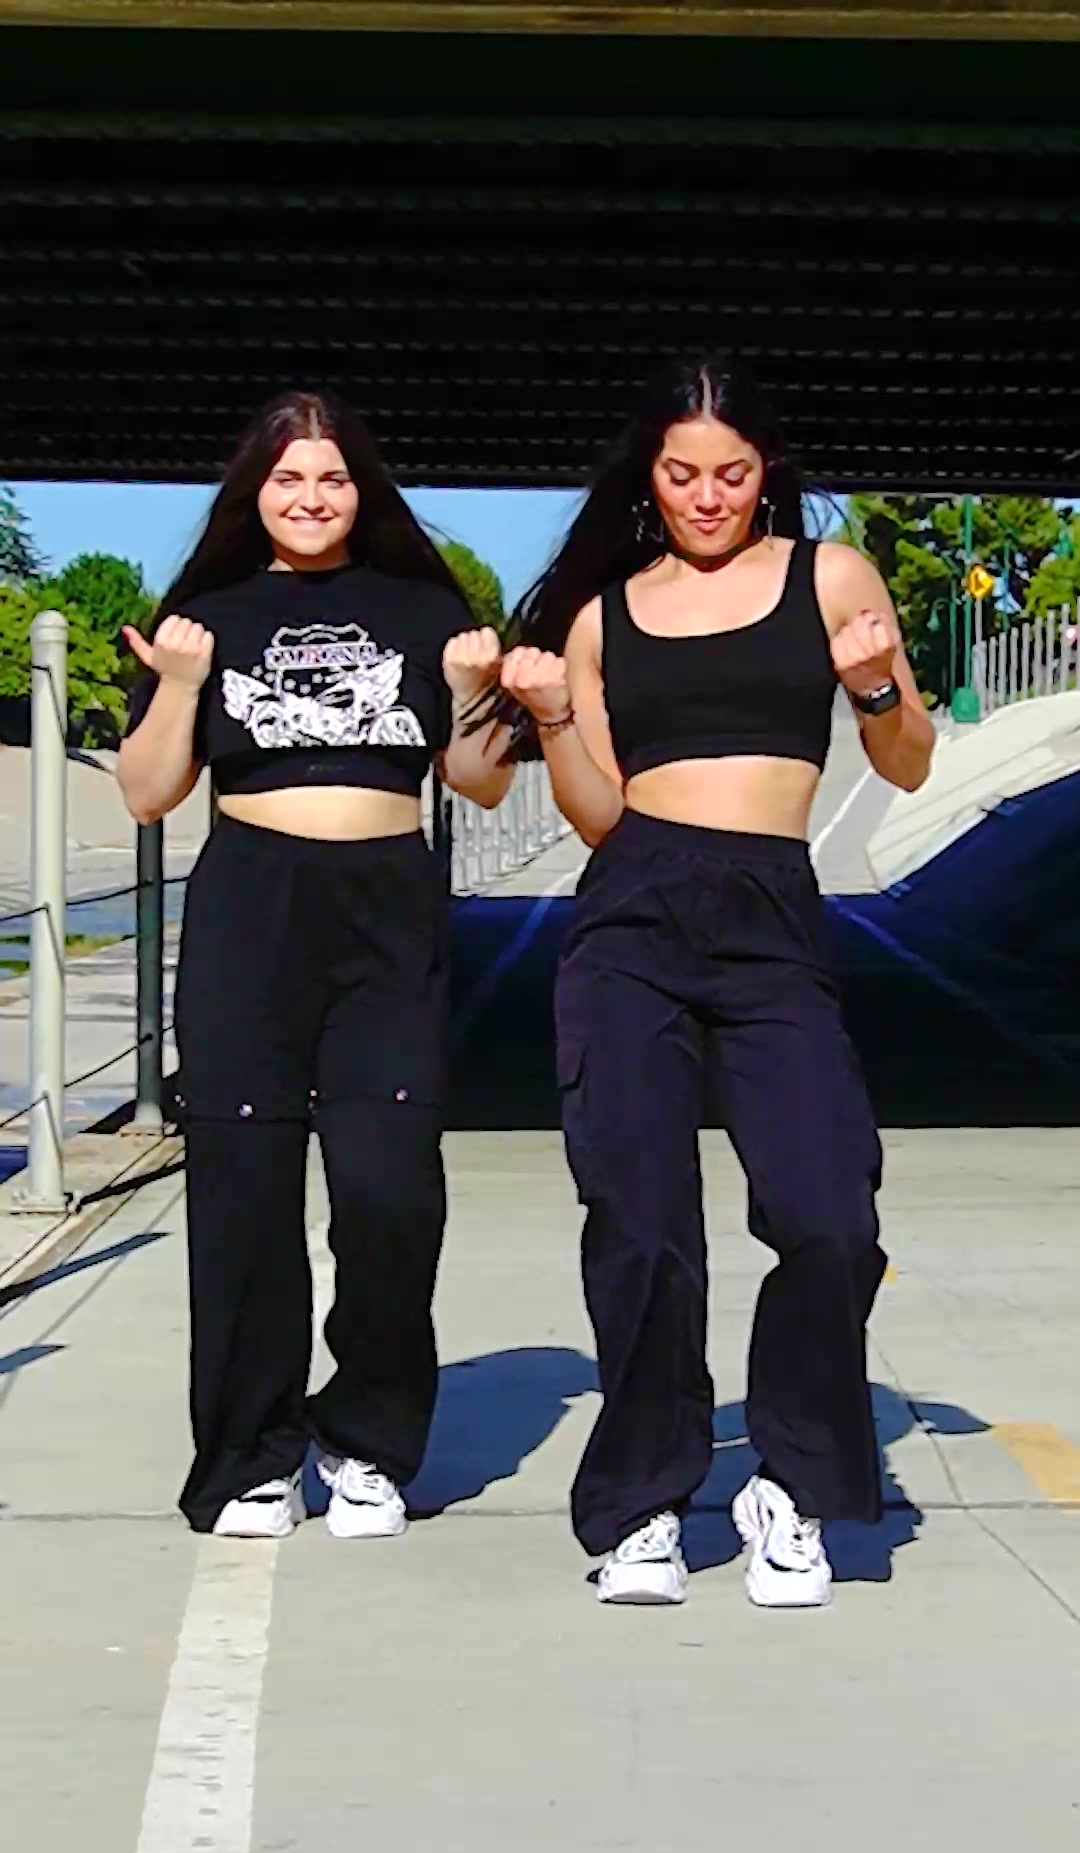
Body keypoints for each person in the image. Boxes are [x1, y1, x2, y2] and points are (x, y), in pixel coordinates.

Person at [493, 353, 935, 1608]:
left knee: (829, 1215)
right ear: (650, 478)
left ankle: (789, 1483)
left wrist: (874, 684)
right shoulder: (603, 617)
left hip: (772, 918)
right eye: (683, 474)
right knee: (641, 1229)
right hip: (632, 918)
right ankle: (643, 1504)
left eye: (731, 474)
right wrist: (556, 716)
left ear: (764, 472)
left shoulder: (828, 577)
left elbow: (906, 760)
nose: (707, 497)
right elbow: (598, 817)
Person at [117, 391, 509, 1540]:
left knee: (391, 1190)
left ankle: (369, 1441)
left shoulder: (423, 608)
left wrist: (475, 690)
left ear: (363, 489)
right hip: (252, 909)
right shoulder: (205, 616)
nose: (310, 498)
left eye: (332, 478)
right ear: (254, 493)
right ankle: (251, 1456)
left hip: (386, 914)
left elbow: (482, 780)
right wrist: (180, 685)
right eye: (287, 479)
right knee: (244, 1193)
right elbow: (147, 791)